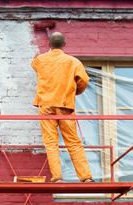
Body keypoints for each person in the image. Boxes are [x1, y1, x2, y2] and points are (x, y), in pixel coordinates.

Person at [31, 32, 94, 183]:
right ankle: (85, 176)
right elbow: (84, 80)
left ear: (49, 45)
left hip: (46, 105)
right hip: (65, 104)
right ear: (64, 44)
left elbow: (34, 65)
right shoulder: (73, 62)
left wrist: (50, 53)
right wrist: (76, 91)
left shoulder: (41, 60)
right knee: (73, 141)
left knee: (51, 142)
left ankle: (57, 176)